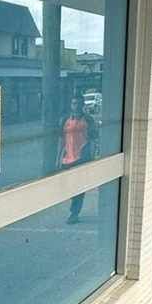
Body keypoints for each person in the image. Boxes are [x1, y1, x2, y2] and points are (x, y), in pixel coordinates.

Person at [62, 91, 99, 224]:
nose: (75, 105)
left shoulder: (88, 119)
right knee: (69, 186)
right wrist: (58, 157)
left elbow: (94, 138)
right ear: (71, 105)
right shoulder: (65, 119)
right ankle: (74, 208)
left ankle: (74, 213)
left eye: (78, 103)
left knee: (78, 187)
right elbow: (61, 139)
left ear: (82, 104)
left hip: (82, 157)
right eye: (73, 103)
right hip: (67, 158)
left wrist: (93, 156)